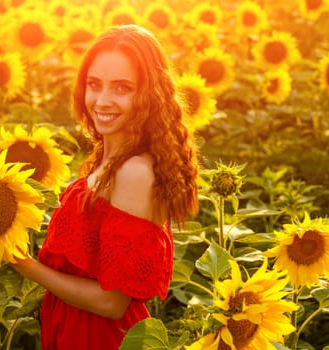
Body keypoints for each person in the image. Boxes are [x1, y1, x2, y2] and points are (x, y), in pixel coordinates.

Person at [11, 24, 199, 349]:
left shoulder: (135, 172)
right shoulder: (110, 157)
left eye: (122, 88)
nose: (102, 100)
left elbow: (112, 303)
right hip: (72, 328)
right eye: (94, 85)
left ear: (148, 95)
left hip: (100, 338)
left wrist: (25, 264)